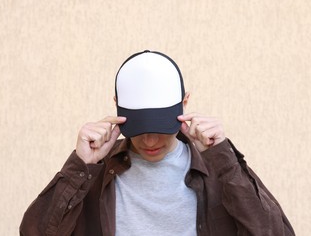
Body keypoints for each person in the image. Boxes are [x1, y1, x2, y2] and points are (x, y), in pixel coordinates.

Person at [20, 50, 295, 236]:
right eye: (139, 128)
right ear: (118, 108)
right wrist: (80, 166)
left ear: (185, 103)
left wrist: (223, 158)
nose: (150, 140)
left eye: (161, 127)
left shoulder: (217, 170)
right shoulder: (95, 174)